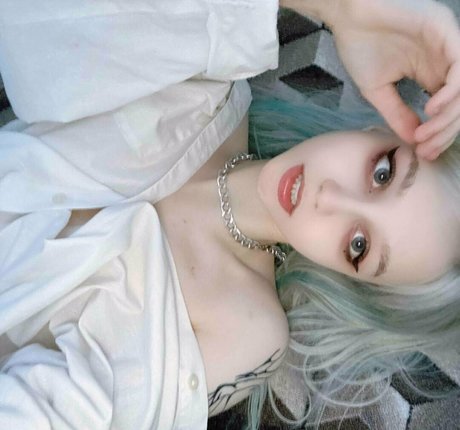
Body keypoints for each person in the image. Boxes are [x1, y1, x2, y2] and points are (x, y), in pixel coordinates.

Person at [0, 1, 459, 429]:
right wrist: (343, 10)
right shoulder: (208, 78)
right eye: (382, 172)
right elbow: (33, 26)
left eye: (358, 245)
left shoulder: (247, 328)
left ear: (350, 277)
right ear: (380, 128)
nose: (329, 198)